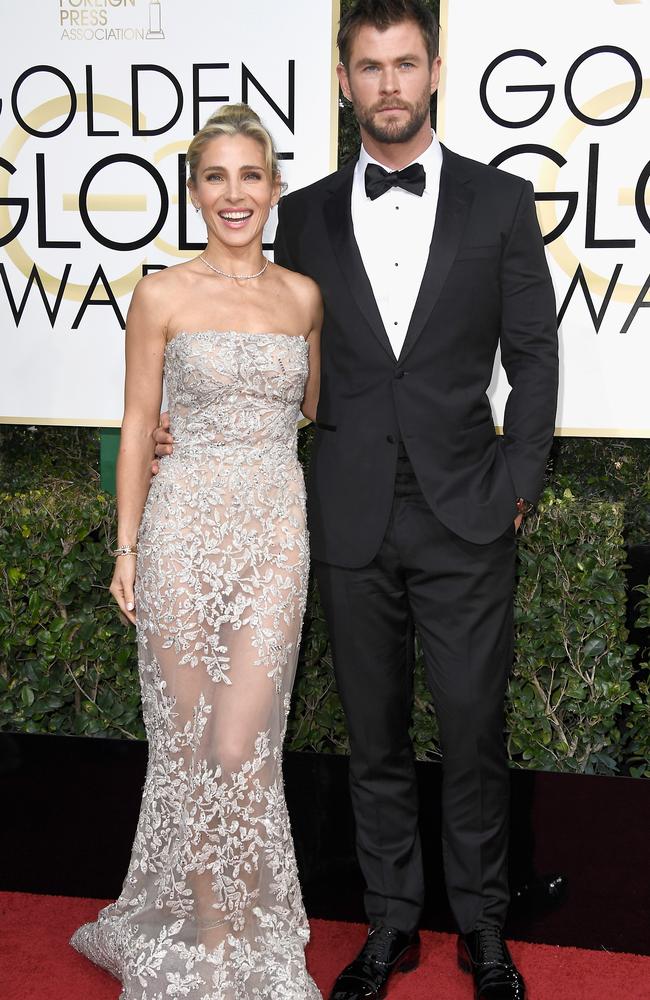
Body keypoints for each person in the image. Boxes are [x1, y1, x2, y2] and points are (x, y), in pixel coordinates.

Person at [156, 2, 559, 997]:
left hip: (467, 508)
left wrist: (518, 481)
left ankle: (481, 929)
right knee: (373, 734)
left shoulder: (500, 203)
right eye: (368, 66)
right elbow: (274, 346)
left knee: (471, 729)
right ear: (343, 82)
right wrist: (190, 419)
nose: (386, 83)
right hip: (344, 512)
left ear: (431, 72)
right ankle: (388, 926)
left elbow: (534, 354)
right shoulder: (308, 214)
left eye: (403, 64)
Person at [71, 104, 323, 1000]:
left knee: (241, 741)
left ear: (274, 188)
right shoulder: (162, 294)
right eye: (215, 177)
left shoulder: (302, 297)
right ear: (193, 189)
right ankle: (212, 945)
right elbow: (139, 424)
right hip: (181, 538)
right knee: (189, 748)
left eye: (250, 176)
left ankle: (247, 932)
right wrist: (127, 546)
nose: (234, 194)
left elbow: (308, 410)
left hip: (272, 542)